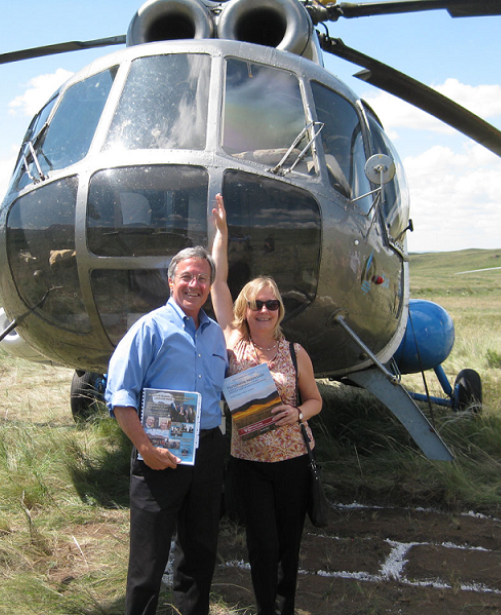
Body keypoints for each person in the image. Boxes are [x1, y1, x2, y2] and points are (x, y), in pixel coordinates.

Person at [210, 194, 322, 615]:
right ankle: (265, 609)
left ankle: (286, 606)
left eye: (272, 303)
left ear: (279, 311)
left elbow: (315, 400)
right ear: (245, 308)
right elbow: (218, 282)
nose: (264, 309)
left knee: (289, 544)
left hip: (292, 460)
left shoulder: (296, 353)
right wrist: (221, 235)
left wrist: (298, 412)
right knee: (263, 544)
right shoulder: (231, 342)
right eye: (256, 303)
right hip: (249, 464)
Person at [105, 245, 228, 615]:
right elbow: (121, 394)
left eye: (202, 278)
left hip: (207, 453)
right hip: (159, 456)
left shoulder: (214, 334)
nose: (195, 284)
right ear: (171, 280)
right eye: (187, 276)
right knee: (148, 562)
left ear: (209, 284)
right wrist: (145, 448)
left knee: (199, 554)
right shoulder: (150, 328)